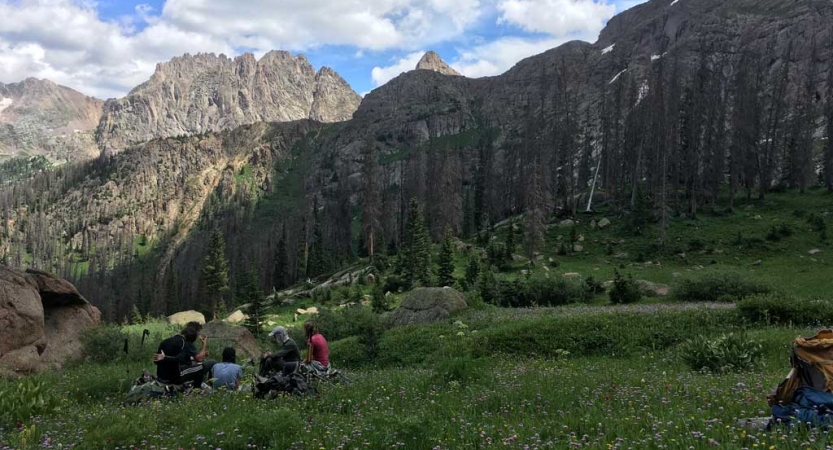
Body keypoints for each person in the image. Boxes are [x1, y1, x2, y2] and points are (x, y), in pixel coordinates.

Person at [152, 321, 211, 386]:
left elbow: (156, 361)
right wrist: (165, 358)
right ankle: (196, 391)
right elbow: (179, 359)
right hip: (174, 378)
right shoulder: (184, 344)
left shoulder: (165, 341)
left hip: (161, 377)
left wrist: (164, 358)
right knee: (200, 367)